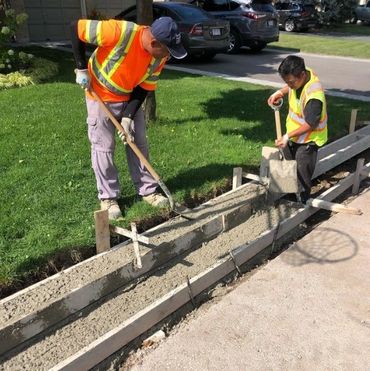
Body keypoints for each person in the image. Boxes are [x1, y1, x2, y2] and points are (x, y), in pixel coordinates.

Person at [70, 16, 187, 220]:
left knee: (138, 143)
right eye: (167, 49)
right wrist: (81, 68)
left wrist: (127, 117)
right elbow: (75, 27)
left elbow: (144, 88)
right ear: (154, 43)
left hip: (129, 96)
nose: (168, 55)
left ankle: (148, 191)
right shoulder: (118, 31)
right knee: (104, 148)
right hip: (100, 95)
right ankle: (108, 198)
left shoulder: (159, 56)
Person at [267, 55, 328, 203]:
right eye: (286, 82)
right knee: (287, 169)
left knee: (301, 175)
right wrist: (280, 92)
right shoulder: (302, 72)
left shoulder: (314, 95)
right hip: (293, 135)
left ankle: (302, 207)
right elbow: (290, 84)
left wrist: (287, 136)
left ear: (302, 75)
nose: (290, 85)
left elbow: (311, 124)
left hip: (308, 140)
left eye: (291, 82)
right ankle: (287, 199)